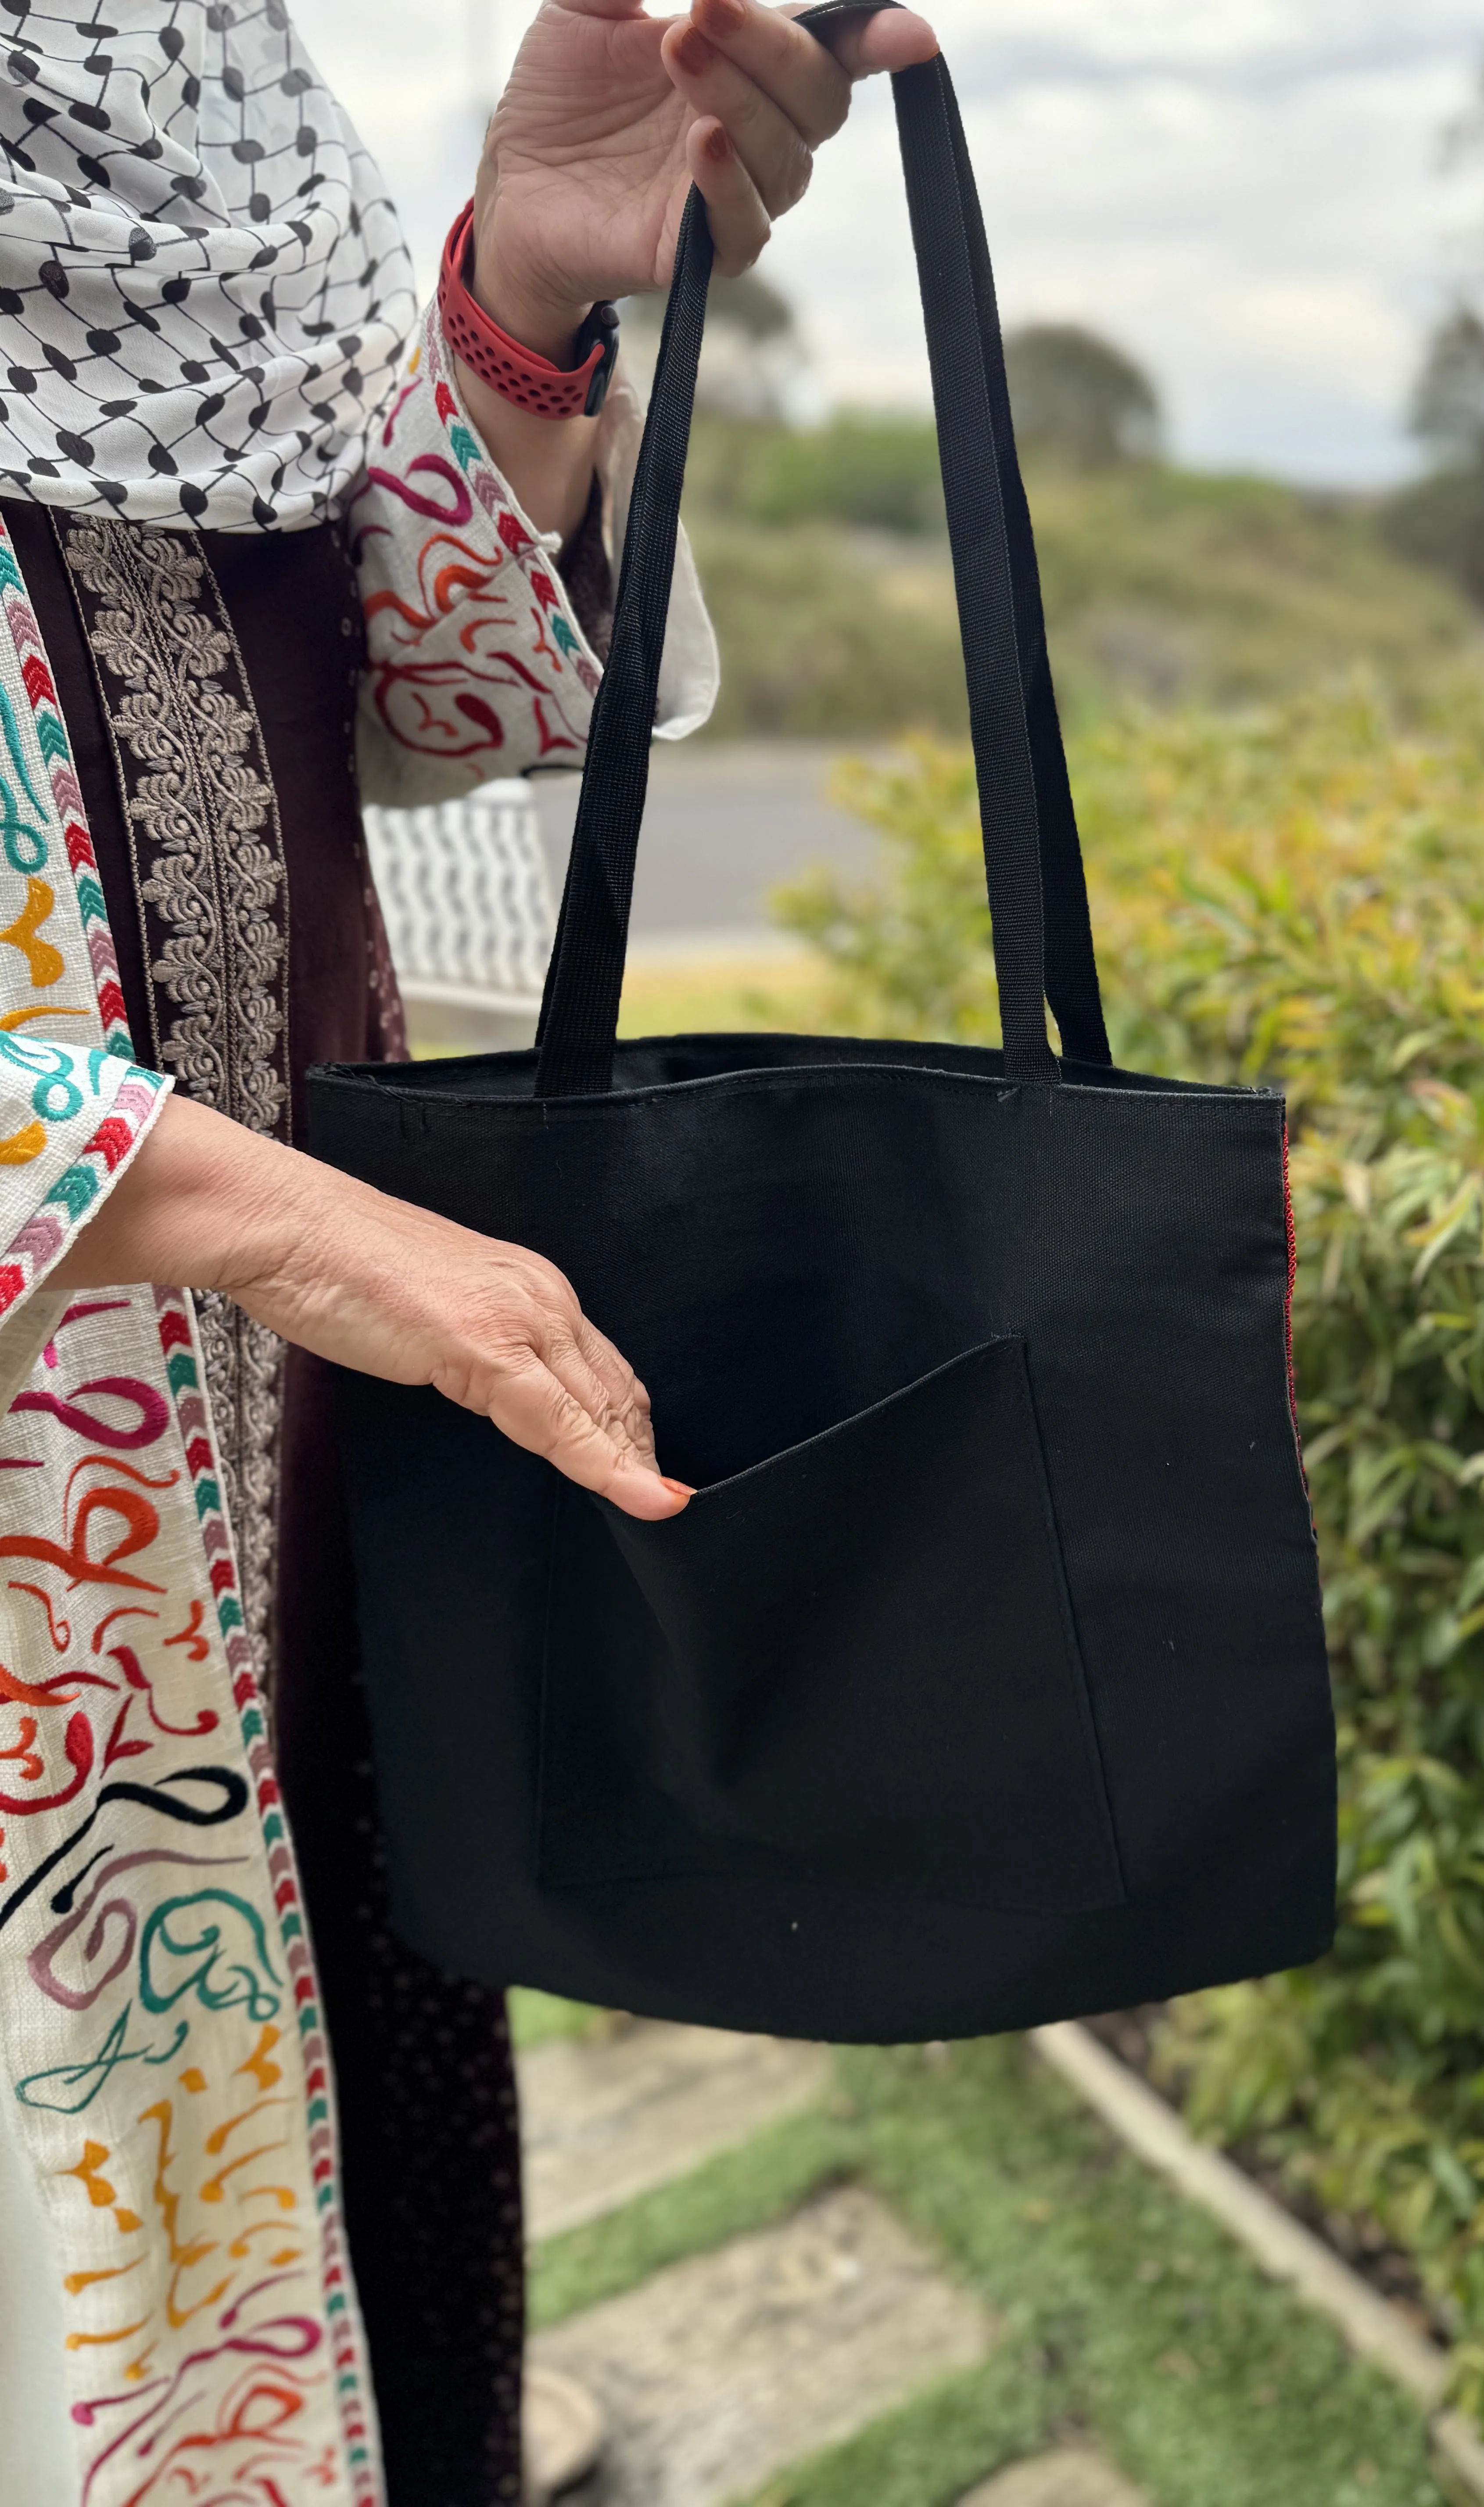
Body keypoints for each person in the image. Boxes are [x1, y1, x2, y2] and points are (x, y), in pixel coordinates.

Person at [0, 1, 937, 2501]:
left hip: (287, 1477)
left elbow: (410, 683)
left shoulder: (193, 104)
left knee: (327, 2152)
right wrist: (229, 1209)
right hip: (67, 1538)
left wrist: (527, 304)